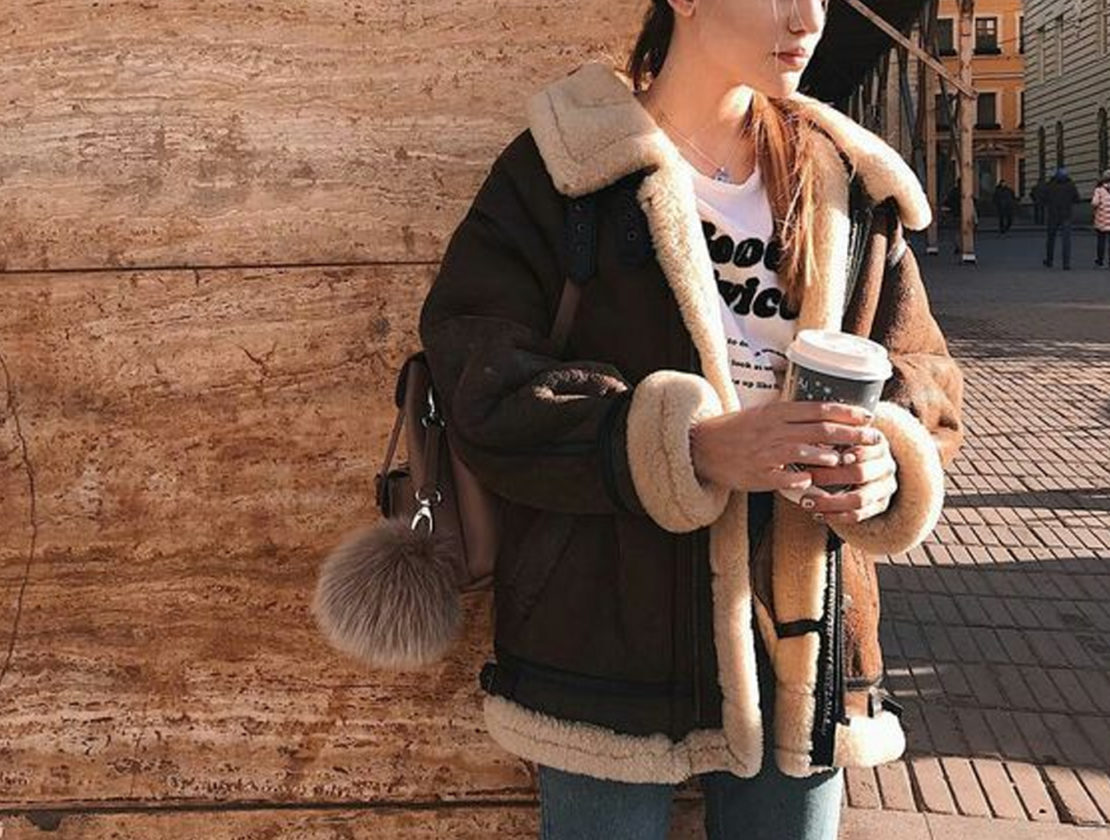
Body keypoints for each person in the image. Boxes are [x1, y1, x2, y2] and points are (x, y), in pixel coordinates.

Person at [417, 0, 966, 837]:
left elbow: (923, 371)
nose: (808, 19)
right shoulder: (570, 165)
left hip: (802, 645)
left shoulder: (845, 181)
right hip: (606, 636)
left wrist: (887, 457)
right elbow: (479, 375)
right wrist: (688, 448)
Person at [1041, 165, 1081, 269]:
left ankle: (1049, 260)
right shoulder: (1070, 185)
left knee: (1051, 239)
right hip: (1066, 215)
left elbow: (1043, 198)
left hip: (1053, 215)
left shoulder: (1050, 185)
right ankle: (1066, 264)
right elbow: (1077, 199)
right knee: (1066, 240)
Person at [1093, 168, 1110, 267]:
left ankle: (1100, 260)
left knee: (1101, 240)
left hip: (1102, 220)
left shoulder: (1099, 190)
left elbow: (1095, 203)